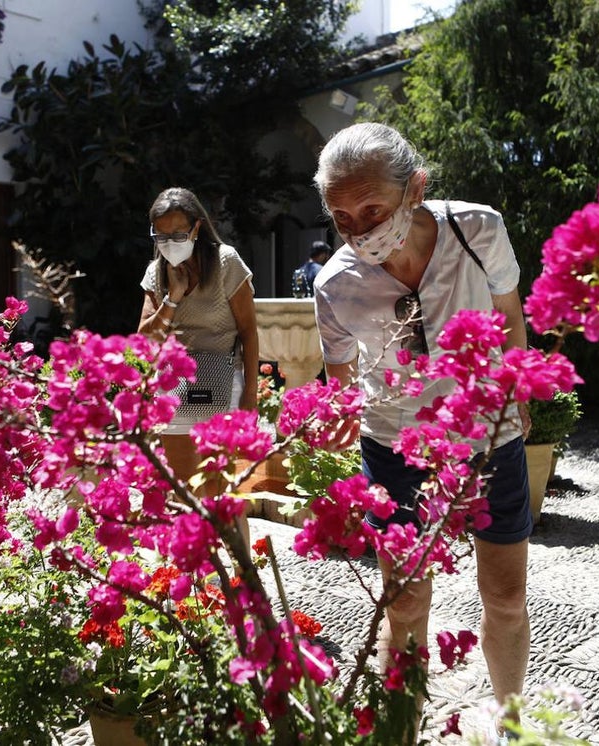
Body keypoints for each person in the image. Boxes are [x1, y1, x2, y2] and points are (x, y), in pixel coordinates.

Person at [311, 122, 532, 741]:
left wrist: (517, 387)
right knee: (405, 605)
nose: (359, 228)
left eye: (372, 208)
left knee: (506, 597)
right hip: (395, 448)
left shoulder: (477, 228)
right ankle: (399, 732)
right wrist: (333, 413)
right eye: (342, 217)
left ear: (416, 188)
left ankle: (513, 727)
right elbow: (340, 379)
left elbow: (510, 312)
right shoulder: (334, 285)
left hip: (487, 436)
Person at [137, 187, 259, 545]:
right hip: (173, 381)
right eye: (161, 235)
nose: (170, 242)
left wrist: (250, 395)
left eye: (178, 234)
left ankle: (240, 571)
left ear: (196, 229)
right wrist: (173, 298)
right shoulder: (157, 273)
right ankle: (194, 577)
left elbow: (250, 332)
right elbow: (145, 340)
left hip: (217, 373)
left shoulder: (225, 262)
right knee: (180, 487)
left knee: (218, 489)